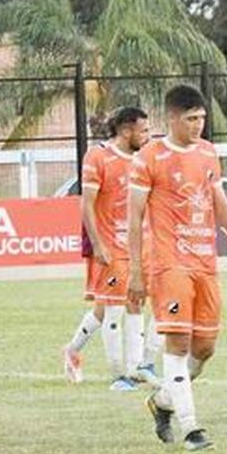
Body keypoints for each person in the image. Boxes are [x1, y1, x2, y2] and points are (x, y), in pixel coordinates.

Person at [129, 85, 227, 451]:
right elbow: (135, 214)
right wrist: (136, 272)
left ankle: (163, 402)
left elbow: (218, 201)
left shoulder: (206, 153)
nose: (198, 125)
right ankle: (191, 428)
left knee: (204, 349)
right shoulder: (149, 157)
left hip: (205, 262)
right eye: (191, 119)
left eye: (201, 118)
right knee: (177, 342)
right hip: (169, 262)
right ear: (171, 118)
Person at [79, 107, 155, 391]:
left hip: (139, 247)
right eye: (143, 130)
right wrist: (97, 245)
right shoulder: (98, 156)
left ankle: (135, 369)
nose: (147, 136)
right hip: (111, 245)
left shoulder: (144, 159)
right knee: (112, 311)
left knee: (136, 303)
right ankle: (117, 375)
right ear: (125, 130)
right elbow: (86, 204)